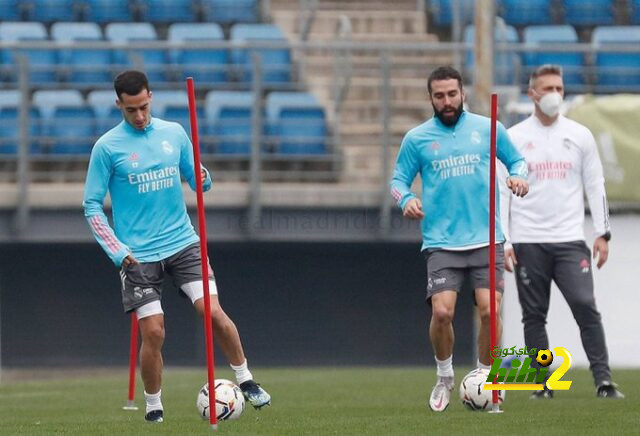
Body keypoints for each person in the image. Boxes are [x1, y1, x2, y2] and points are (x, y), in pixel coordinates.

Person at [83, 70, 271, 423]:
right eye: (130, 110)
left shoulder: (174, 133)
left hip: (183, 242)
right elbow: (91, 206)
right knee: (154, 330)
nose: (139, 116)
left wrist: (202, 177)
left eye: (143, 107)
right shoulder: (107, 147)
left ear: (150, 97)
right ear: (118, 106)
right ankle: (154, 403)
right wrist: (117, 250)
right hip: (137, 254)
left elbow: (199, 179)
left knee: (211, 311)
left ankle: (246, 379)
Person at [390, 66, 529, 412]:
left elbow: (518, 161)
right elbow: (397, 182)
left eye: (452, 94)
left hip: (486, 238)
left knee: (489, 311)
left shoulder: (488, 128)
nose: (447, 101)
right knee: (441, 313)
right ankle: (445, 376)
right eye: (439, 96)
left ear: (462, 93)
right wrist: (406, 200)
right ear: (431, 98)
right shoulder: (417, 138)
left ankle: (484, 379)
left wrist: (518, 178)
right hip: (441, 241)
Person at [499, 64, 624, 399]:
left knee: (585, 304)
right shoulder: (514, 138)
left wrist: (603, 232)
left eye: (559, 87)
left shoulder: (580, 135)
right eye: (548, 88)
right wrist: (505, 241)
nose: (555, 94)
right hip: (528, 240)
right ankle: (542, 384)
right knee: (534, 316)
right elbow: (500, 191)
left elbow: (595, 184)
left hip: (570, 240)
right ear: (532, 94)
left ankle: (604, 380)